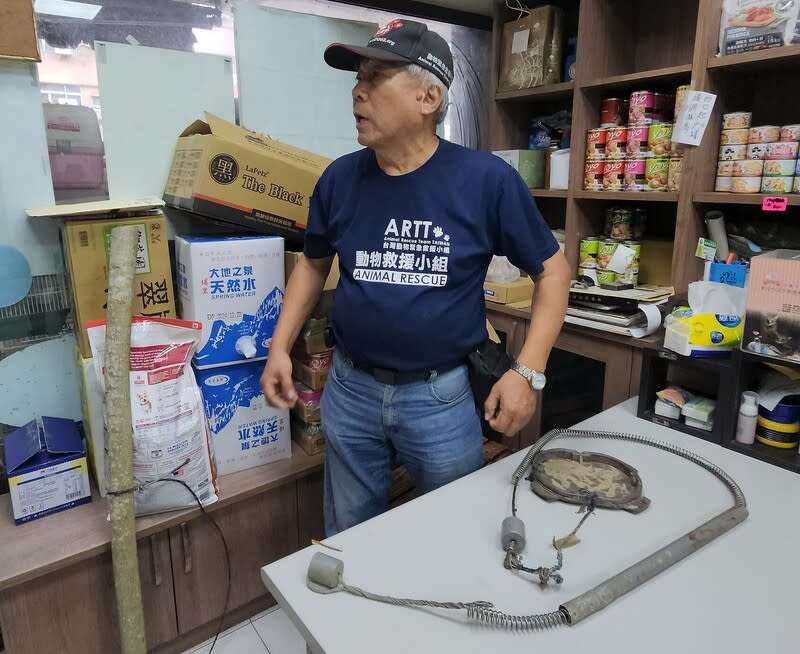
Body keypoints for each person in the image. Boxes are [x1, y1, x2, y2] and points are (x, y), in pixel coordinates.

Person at [261, 19, 570, 537]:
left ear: (428, 97)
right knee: (350, 537)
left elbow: (553, 272)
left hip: (440, 400)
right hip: (350, 388)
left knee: (452, 536)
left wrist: (528, 371)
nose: (357, 91)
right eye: (357, 77)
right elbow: (314, 264)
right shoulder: (339, 179)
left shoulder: (486, 181)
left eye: (376, 76)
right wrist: (279, 346)